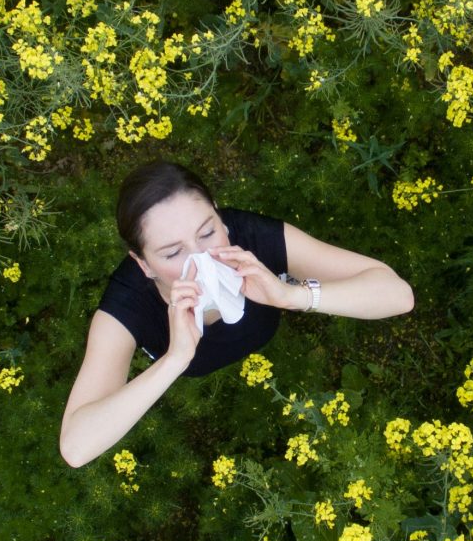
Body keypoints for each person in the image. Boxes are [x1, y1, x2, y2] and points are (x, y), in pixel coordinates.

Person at [60, 161, 414, 467]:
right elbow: (76, 447)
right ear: (143, 264)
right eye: (172, 253)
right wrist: (175, 359)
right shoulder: (128, 303)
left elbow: (397, 295)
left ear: (220, 216)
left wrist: (293, 295)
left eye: (207, 232)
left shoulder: (251, 238)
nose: (203, 258)